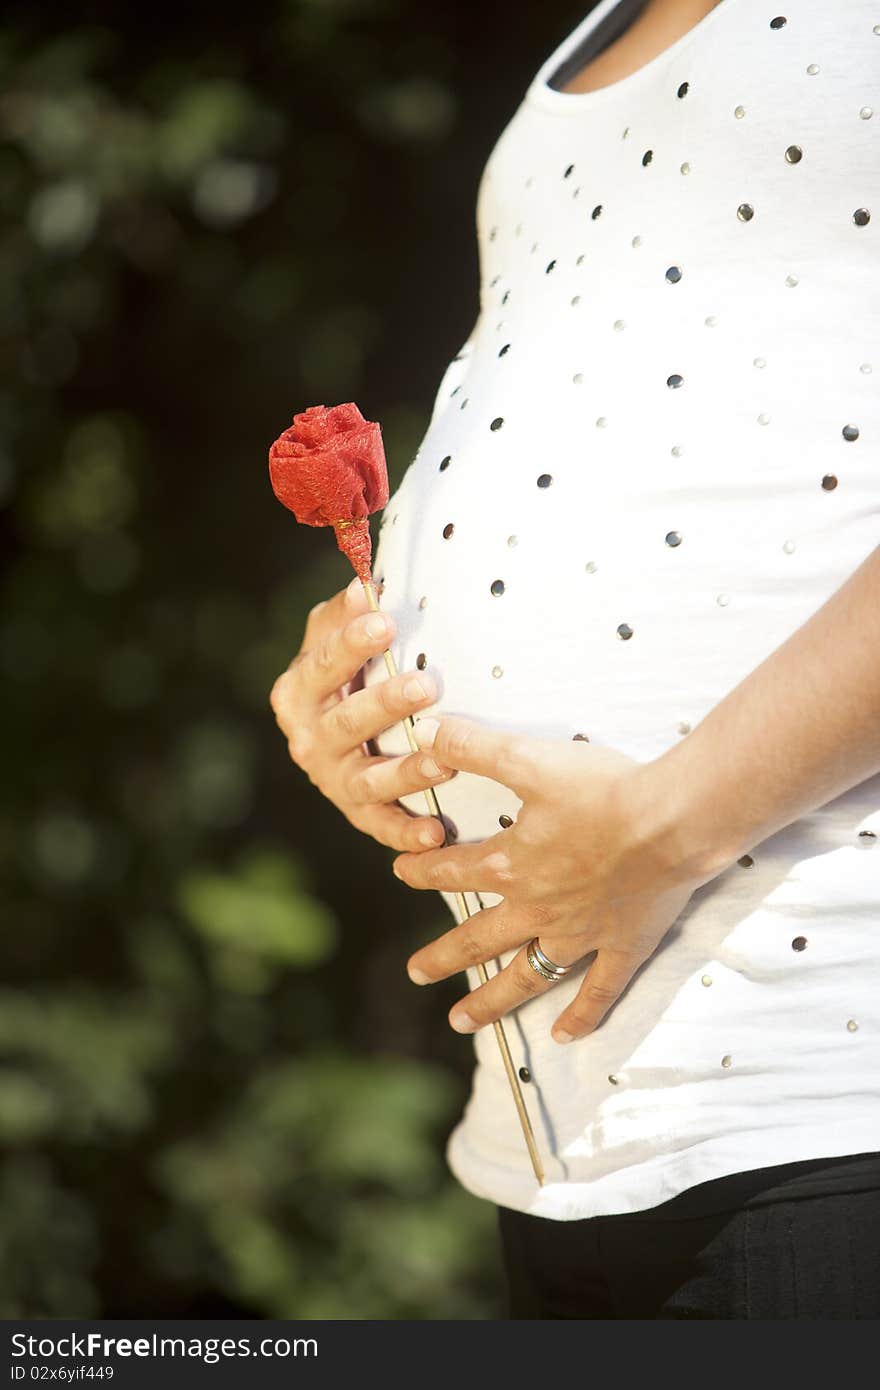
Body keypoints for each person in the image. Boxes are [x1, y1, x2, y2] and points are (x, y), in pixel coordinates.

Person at [269, 0, 880, 1318]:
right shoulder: (589, 31)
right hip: (559, 1147)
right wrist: (374, 697)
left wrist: (671, 823)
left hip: (828, 1083)